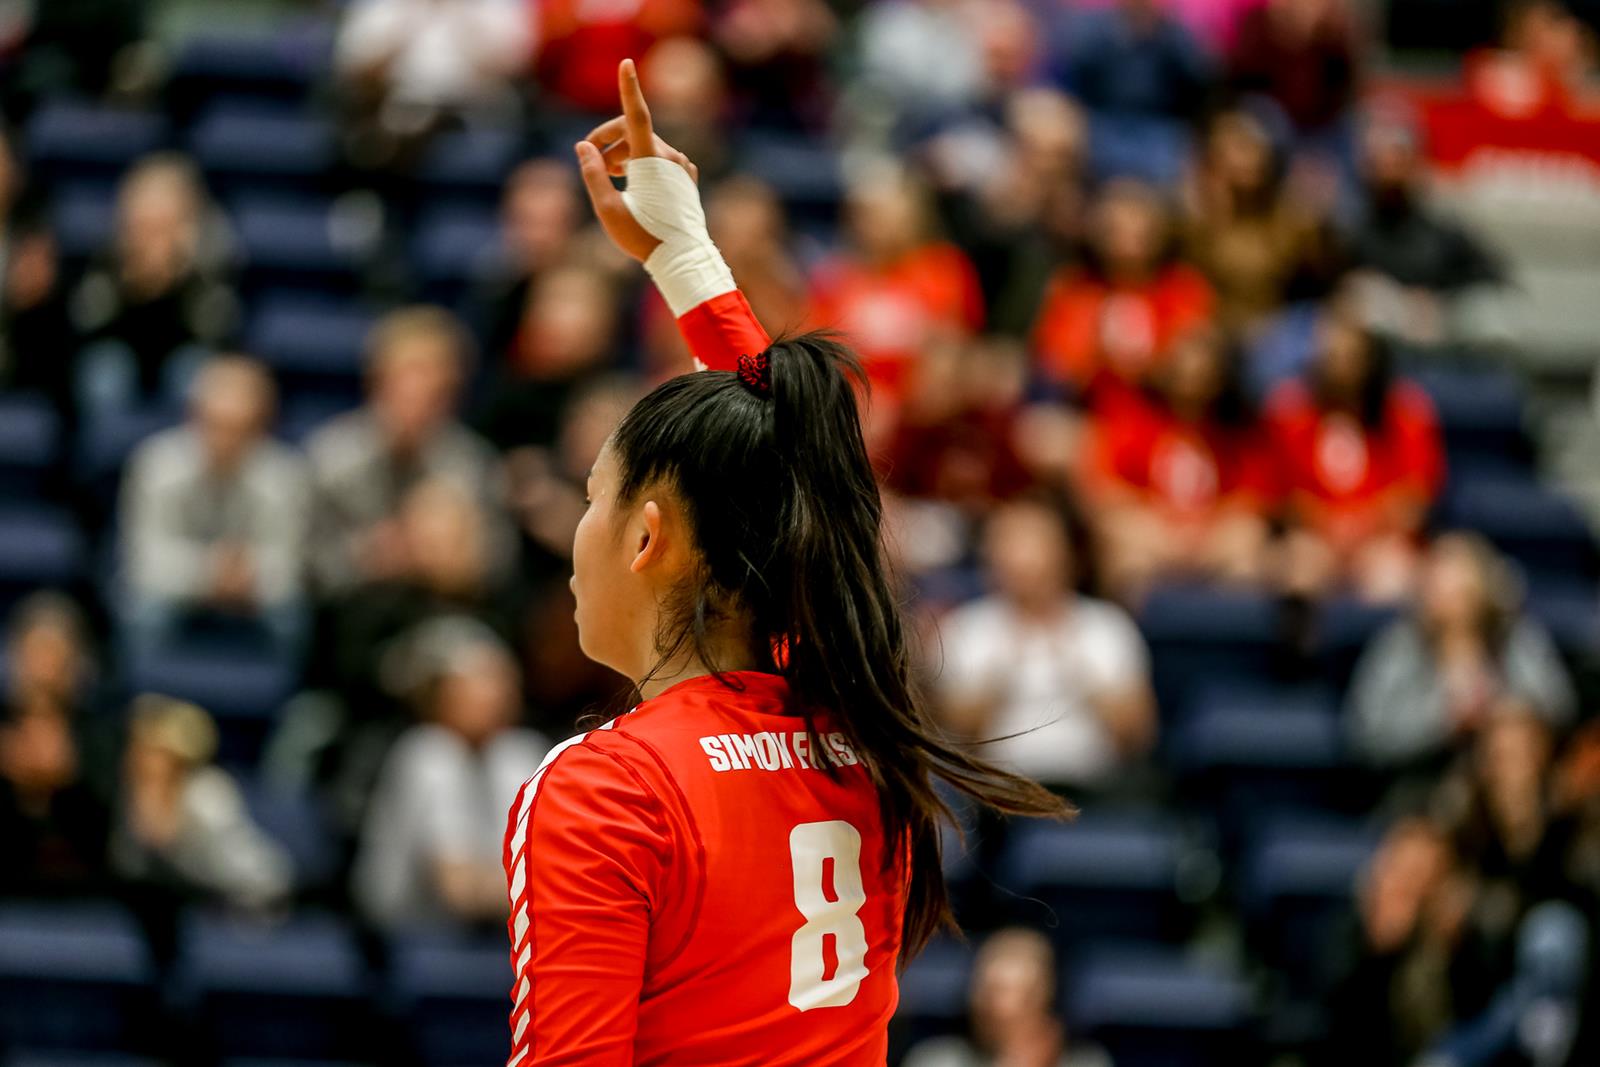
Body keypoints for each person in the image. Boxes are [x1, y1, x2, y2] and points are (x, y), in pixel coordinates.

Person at [490, 59, 1068, 1064]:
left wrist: (689, 259)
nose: (575, 532)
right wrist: (688, 261)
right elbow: (804, 471)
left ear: (646, 534)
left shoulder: (608, 788)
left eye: (591, 494)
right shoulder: (853, 735)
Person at [934, 491, 1157, 791]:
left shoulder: (1106, 625)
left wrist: (1076, 667)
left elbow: (1137, 734)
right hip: (995, 794)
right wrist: (1004, 666)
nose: (1021, 559)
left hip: (1095, 792)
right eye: (1007, 544)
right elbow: (954, 731)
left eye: (1033, 543)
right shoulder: (967, 628)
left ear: (1066, 554)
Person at [352, 620, 547, 929]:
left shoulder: (519, 752)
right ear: (441, 691)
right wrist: (540, 888)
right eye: (482, 678)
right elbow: (458, 892)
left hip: (496, 936)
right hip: (411, 942)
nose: (499, 692)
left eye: (503, 678)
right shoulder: (426, 754)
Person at [307, 306, 508, 593]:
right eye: (409, 378)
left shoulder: (474, 463)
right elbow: (305, 564)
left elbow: (498, 562)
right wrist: (368, 556)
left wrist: (457, 557)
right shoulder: (331, 456)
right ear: (377, 381)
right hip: (350, 611)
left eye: (435, 389)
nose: (418, 394)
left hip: (443, 603)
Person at [119, 356, 310, 655]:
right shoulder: (156, 466)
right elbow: (145, 562)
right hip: (179, 590)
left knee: (291, 615)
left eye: (238, 428)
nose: (224, 441)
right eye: (214, 424)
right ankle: (144, 692)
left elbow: (288, 568)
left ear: (261, 427)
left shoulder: (285, 476)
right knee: (142, 610)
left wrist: (250, 575)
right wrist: (210, 573)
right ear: (193, 417)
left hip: (252, 594)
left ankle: (284, 697)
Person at [1347, 533, 1576, 773]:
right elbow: (1367, 736)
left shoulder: (1515, 636)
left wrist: (1502, 712)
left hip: (1509, 778)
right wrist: (1445, 722)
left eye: (1463, 594)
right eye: (1443, 592)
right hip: (1421, 782)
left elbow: (1557, 708)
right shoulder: (1400, 645)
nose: (1454, 605)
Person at [1081, 326, 1275, 598]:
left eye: (1202, 374)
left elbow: (1253, 499)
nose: (1192, 382)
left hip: (1212, 541)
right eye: (1183, 372)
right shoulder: (1132, 422)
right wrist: (1161, 532)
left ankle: (1231, 633)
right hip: (1151, 538)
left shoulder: (1236, 433)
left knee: (1248, 546)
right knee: (1126, 552)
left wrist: (1204, 536)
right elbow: (1103, 492)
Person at [1264, 311, 1445, 601]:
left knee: (1392, 574)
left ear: (1370, 360)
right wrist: (1329, 526)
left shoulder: (1406, 411)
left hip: (1382, 540)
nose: (1340, 368)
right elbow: (1279, 499)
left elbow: (1415, 500)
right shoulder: (1290, 410)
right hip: (1315, 539)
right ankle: (1301, 645)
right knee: (1297, 568)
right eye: (1331, 357)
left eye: (1350, 358)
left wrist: (1363, 525)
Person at [72, 153, 235, 418]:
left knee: (194, 372)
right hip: (123, 358)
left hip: (180, 358)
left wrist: (181, 283)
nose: (151, 237)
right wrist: (130, 287)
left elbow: (215, 332)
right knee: (105, 370)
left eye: (163, 225)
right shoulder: (109, 258)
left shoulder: (208, 264)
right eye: (143, 225)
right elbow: (88, 323)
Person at [1031, 179, 1214, 413]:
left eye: (1139, 231)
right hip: (1092, 415)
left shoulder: (1183, 289)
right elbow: (1059, 364)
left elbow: (1194, 366)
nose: (1127, 243)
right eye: (1117, 231)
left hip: (1165, 415)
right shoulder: (1076, 288)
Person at [109, 695, 293, 913]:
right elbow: (131, 867)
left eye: (154, 752)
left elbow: (252, 873)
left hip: (245, 901)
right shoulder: (132, 794)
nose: (139, 758)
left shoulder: (207, 793)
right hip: (179, 905)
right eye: (138, 749)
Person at [902, 927, 1112, 1067]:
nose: (986, 1003)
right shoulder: (934, 1060)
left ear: (1044, 997)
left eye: (1003, 990)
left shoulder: (1087, 1062)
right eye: (982, 986)